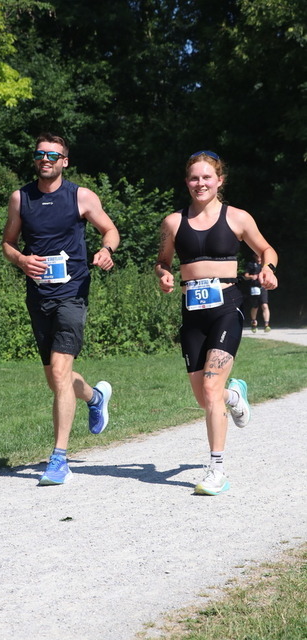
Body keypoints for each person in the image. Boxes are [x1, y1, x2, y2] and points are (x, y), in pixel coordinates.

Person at [155, 150, 278, 496]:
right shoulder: (173, 222)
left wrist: (268, 269)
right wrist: (163, 275)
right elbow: (162, 261)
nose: (201, 183)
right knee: (205, 397)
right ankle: (234, 395)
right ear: (187, 182)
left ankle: (217, 470)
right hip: (192, 314)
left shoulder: (237, 217)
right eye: (194, 178)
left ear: (219, 180)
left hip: (227, 307)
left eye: (207, 177)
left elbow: (266, 250)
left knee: (210, 390)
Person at [2, 133, 119, 486]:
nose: (46, 159)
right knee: (56, 379)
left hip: (72, 293)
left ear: (64, 161)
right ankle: (95, 397)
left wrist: (106, 250)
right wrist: (22, 260)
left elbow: (110, 230)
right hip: (39, 296)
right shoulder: (20, 198)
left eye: (53, 155)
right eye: (40, 154)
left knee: (59, 370)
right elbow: (8, 243)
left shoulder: (81, 196)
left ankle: (59, 459)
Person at [244, 253, 272, 332]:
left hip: (263, 287)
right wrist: (252, 277)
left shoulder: (264, 265)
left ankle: (266, 324)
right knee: (255, 306)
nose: (259, 257)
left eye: (260, 256)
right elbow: (246, 275)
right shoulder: (251, 264)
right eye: (257, 256)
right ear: (254, 256)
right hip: (254, 287)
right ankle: (254, 322)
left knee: (265, 305)